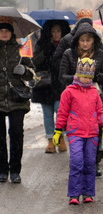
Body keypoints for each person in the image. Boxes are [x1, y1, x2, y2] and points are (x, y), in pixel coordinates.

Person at [54, 58, 103, 205]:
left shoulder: (94, 92)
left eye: (90, 77)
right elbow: (62, 112)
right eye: (84, 76)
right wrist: (58, 130)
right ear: (78, 75)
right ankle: (74, 194)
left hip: (92, 133)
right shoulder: (69, 92)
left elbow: (100, 111)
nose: (87, 80)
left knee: (90, 163)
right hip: (75, 132)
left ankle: (87, 192)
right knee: (77, 162)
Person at [58, 21, 103, 177]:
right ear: (78, 41)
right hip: (75, 97)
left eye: (88, 40)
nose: (86, 43)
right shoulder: (69, 53)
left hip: (95, 95)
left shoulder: (100, 54)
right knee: (78, 131)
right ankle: (78, 162)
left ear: (94, 40)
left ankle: (94, 162)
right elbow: (62, 76)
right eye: (82, 40)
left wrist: (96, 76)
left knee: (96, 130)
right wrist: (77, 78)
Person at [0, 18, 34, 184]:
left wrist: (25, 71)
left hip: (17, 99)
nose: (4, 33)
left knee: (16, 134)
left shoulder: (22, 51)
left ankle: (15, 170)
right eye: (1, 30)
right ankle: (2, 170)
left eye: (7, 30)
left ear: (12, 32)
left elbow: (34, 74)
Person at [32, 19, 71, 153]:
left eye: (58, 31)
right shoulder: (41, 44)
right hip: (45, 84)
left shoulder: (67, 45)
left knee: (60, 111)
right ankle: (50, 141)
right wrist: (45, 52)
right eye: (53, 31)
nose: (56, 34)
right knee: (47, 114)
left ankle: (60, 138)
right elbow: (35, 62)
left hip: (61, 84)